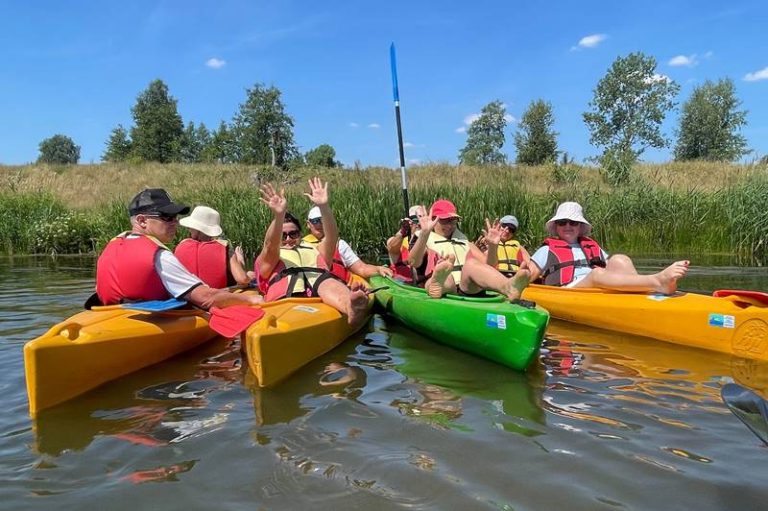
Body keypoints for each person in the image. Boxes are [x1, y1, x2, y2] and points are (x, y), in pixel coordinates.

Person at [95, 188, 262, 309]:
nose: (175, 222)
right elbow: (206, 298)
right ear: (142, 221)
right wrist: (251, 300)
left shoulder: (110, 247)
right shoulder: (160, 256)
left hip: (109, 314)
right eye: (167, 217)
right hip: (146, 321)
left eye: (175, 217)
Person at [254, 178, 370, 327]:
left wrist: (324, 207)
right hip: (284, 302)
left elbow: (332, 236)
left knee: (326, 281)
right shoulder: (270, 257)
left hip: (322, 297)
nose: (288, 239)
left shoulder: (316, 250)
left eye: (293, 234)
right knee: (324, 281)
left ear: (300, 234)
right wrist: (279, 215)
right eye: (283, 236)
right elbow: (270, 245)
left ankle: (351, 306)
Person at [528, 201, 689, 293]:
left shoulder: (591, 245)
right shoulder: (546, 250)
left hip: (597, 287)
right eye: (562, 222)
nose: (568, 226)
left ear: (580, 226)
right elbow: (528, 275)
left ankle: (643, 293)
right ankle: (656, 281)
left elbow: (611, 266)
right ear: (556, 227)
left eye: (573, 222)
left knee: (620, 259)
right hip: (569, 290)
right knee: (597, 274)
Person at [407, 199, 530, 300]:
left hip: (465, 287)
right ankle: (438, 283)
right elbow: (413, 262)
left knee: (471, 264)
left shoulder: (464, 242)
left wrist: (493, 247)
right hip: (443, 285)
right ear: (434, 220)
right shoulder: (424, 238)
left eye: (453, 221)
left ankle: (508, 287)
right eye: (444, 221)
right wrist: (424, 234)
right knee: (445, 278)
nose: (449, 226)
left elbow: (490, 266)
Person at [304, 205, 393, 281]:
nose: (320, 224)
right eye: (316, 221)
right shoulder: (302, 245)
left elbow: (361, 268)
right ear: (308, 224)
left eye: (324, 220)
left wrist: (377, 269)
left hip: (340, 288)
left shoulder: (340, 245)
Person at [174, 205, 250, 288]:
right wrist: (240, 261)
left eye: (191, 226)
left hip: (190, 295)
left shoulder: (181, 245)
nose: (188, 228)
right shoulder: (225, 248)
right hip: (218, 293)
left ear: (198, 229)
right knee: (250, 274)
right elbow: (243, 279)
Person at [386, 205, 427, 283]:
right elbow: (391, 248)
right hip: (401, 283)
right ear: (409, 222)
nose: (419, 223)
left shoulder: (430, 240)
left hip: (422, 283)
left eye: (423, 220)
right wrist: (403, 231)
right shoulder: (397, 240)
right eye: (416, 220)